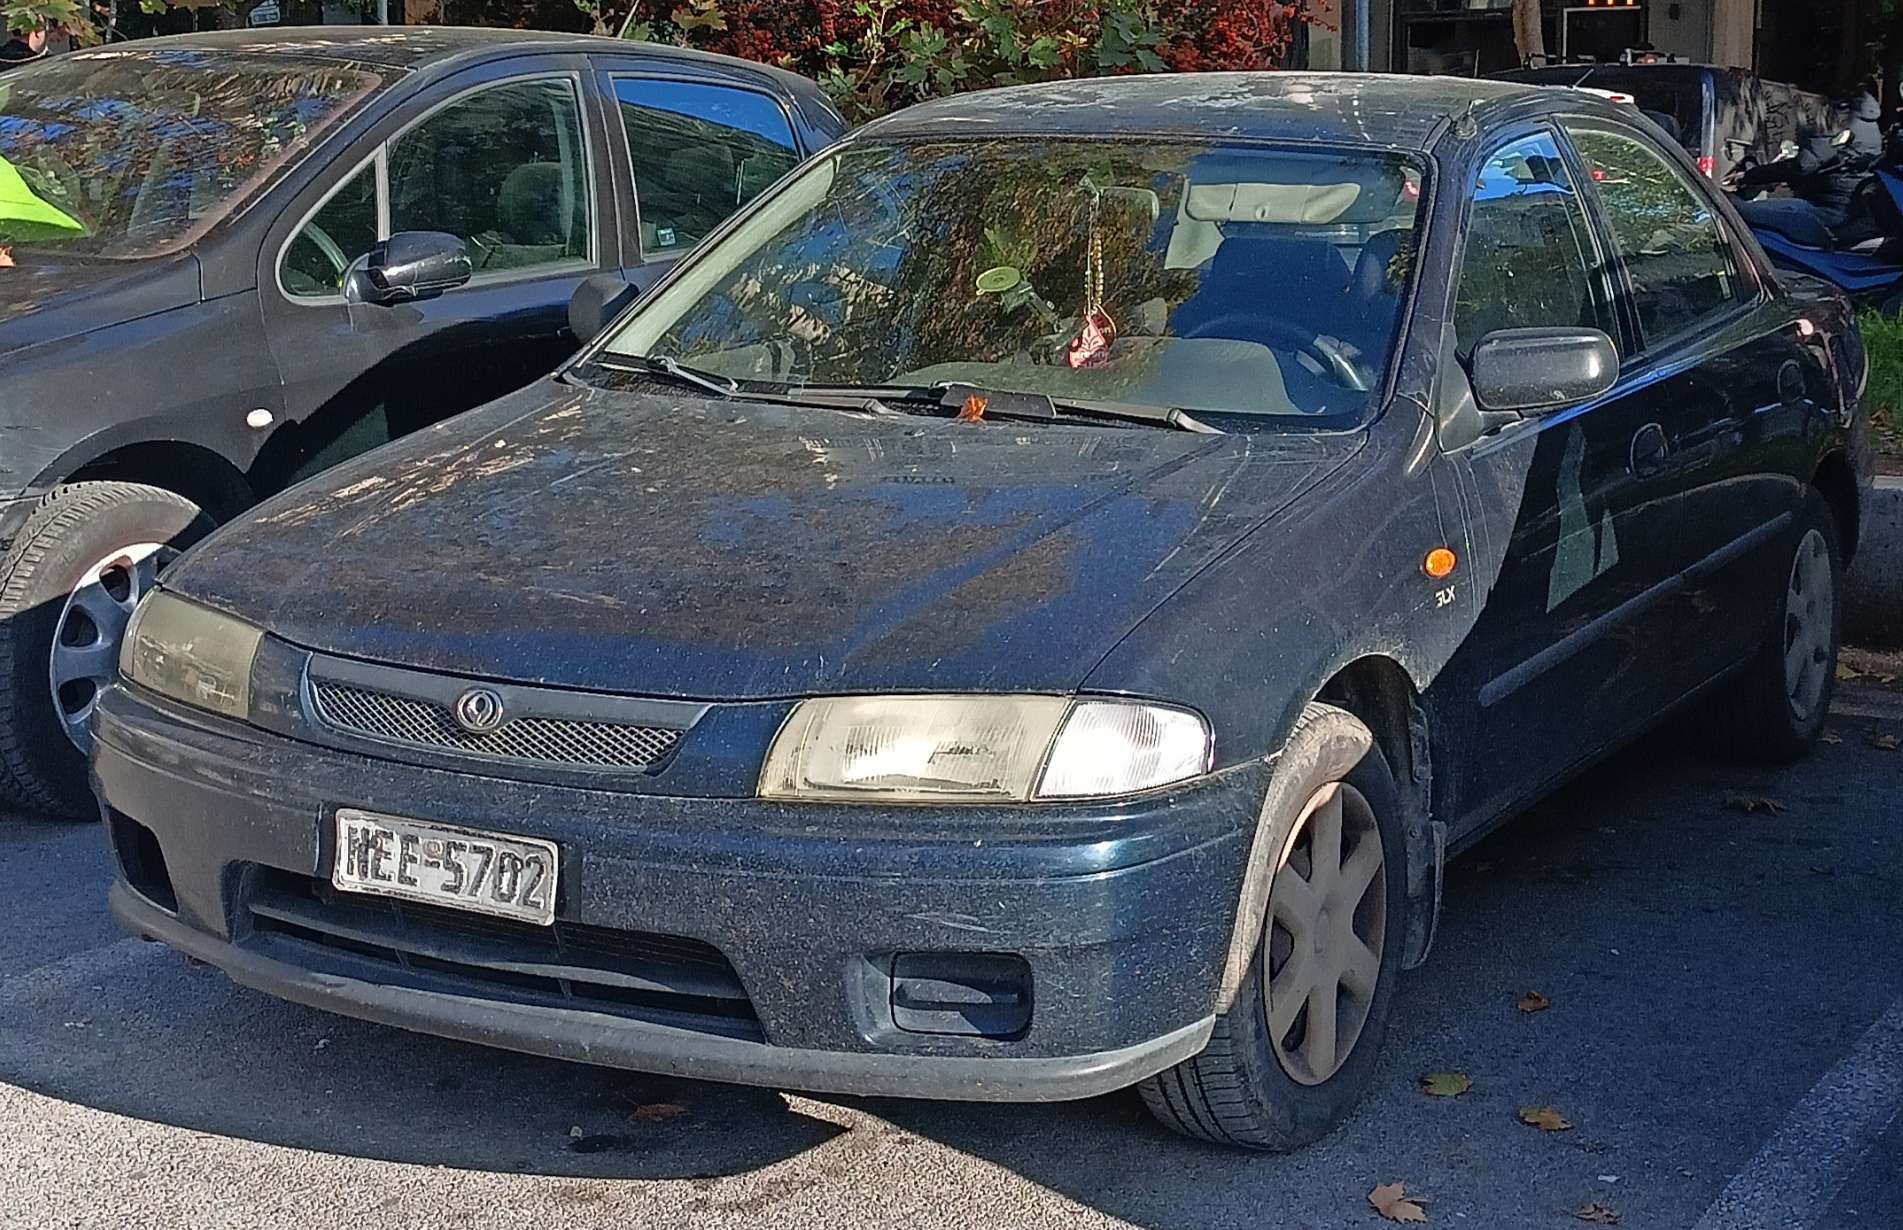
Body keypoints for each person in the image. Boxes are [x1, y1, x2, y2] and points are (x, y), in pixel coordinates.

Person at [1734, 91, 1883, 226]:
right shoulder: (1871, 127)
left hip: (1827, 208)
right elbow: (1832, 164)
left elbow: (1802, 165)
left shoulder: (1845, 125)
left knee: (1742, 214)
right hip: (1849, 209)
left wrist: (1750, 176)